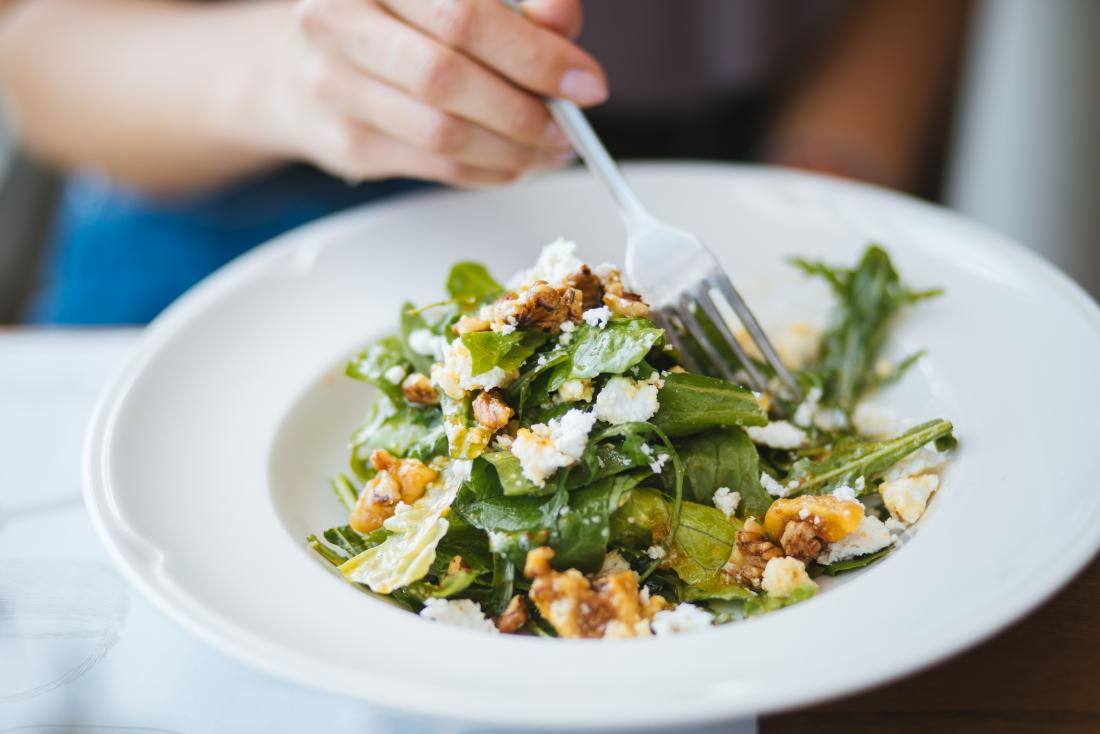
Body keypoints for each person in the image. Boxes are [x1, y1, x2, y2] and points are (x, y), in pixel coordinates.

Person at [0, 0, 969, 324]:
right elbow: (40, 54)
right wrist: (284, 77)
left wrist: (824, 172)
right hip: (213, 166)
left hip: (708, 159)